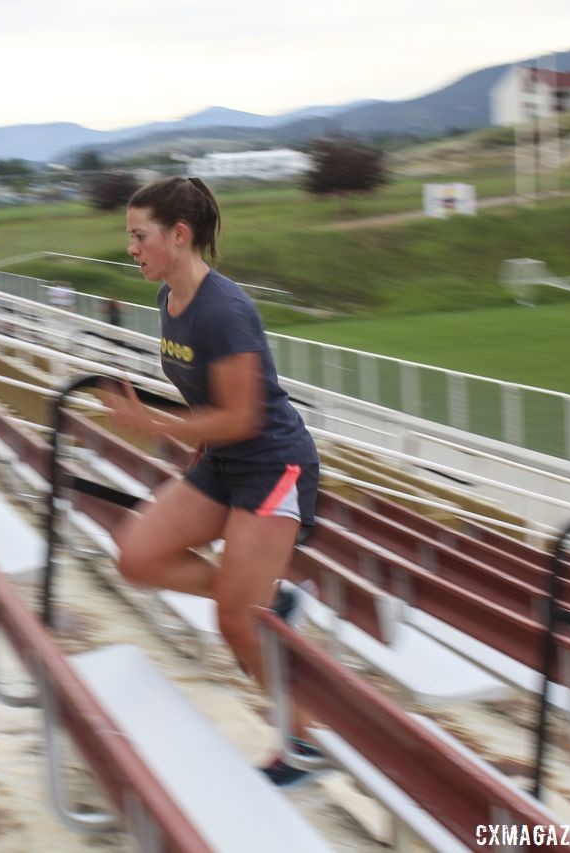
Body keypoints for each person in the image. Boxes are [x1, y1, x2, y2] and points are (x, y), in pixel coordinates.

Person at [99, 176, 323, 788]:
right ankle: (269, 601)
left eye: (139, 236)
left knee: (232, 620)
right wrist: (186, 439)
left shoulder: (225, 310)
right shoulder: (168, 302)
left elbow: (244, 414)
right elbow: (209, 402)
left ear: (179, 234)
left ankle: (305, 744)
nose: (132, 248)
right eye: (129, 237)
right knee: (137, 557)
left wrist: (153, 423)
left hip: (274, 467)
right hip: (223, 463)